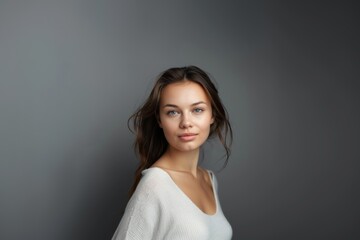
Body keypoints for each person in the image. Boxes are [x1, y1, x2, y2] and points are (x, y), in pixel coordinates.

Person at [112, 66, 233, 240]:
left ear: (212, 115)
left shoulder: (209, 180)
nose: (186, 122)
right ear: (160, 120)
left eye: (197, 110)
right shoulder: (155, 184)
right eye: (173, 112)